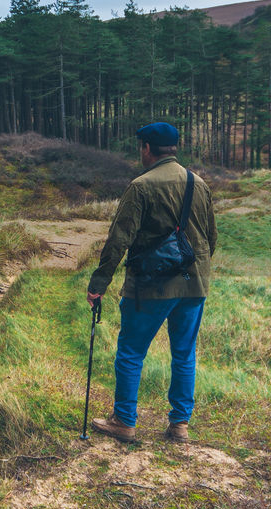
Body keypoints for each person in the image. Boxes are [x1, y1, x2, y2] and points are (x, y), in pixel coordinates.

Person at [85, 122, 217, 443]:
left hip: (150, 286)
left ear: (146, 148)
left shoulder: (140, 186)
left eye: (140, 146)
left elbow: (119, 240)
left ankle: (125, 421)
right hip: (194, 284)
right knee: (184, 354)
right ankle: (179, 425)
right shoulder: (198, 183)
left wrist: (99, 282)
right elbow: (211, 238)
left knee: (131, 351)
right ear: (173, 148)